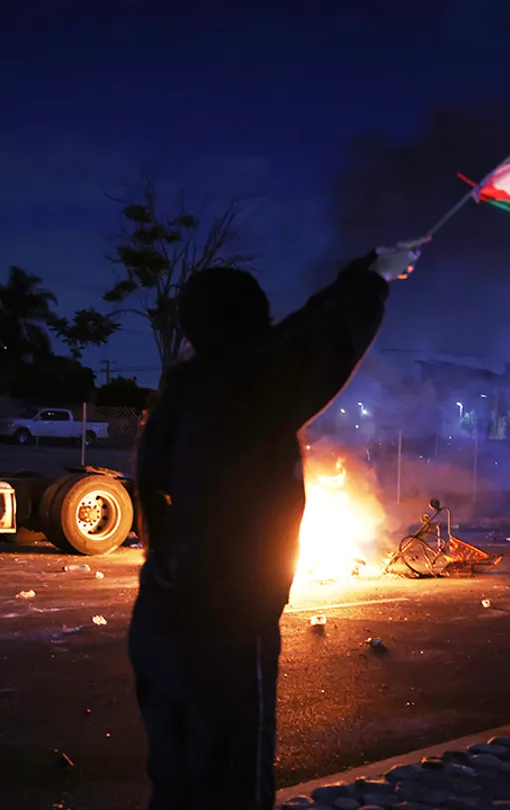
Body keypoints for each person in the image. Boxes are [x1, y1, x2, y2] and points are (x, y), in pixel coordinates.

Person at [129, 244, 412, 810]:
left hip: (162, 616)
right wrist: (371, 278)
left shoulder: (184, 393)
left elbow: (298, 338)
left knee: (178, 785)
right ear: (251, 324)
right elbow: (318, 341)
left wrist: (362, 273)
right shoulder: (246, 388)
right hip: (225, 622)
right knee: (233, 785)